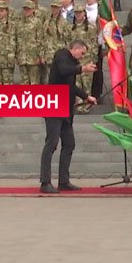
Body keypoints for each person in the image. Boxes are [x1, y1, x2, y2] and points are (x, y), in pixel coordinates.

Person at [40, 39, 98, 194]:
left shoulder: (71, 63)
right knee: (51, 143)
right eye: (82, 53)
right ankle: (45, 182)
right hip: (54, 106)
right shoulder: (61, 56)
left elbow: (70, 86)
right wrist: (83, 69)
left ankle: (63, 181)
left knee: (69, 143)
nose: (82, 57)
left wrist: (86, 97)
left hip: (65, 109)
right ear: (75, 49)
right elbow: (64, 70)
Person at [15, 0, 45, 84]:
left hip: (33, 57)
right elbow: (17, 40)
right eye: (25, 9)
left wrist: (40, 56)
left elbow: (40, 40)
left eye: (28, 9)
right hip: (22, 57)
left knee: (34, 82)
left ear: (33, 10)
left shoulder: (37, 22)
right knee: (24, 83)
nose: (26, 11)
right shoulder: (19, 23)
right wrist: (17, 56)